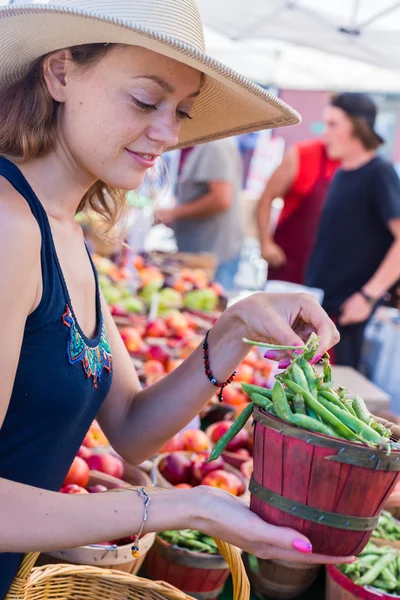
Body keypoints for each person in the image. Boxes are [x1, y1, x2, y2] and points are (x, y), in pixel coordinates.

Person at [0, 0, 352, 594]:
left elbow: (134, 430)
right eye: (144, 101)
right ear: (60, 73)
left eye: (181, 112)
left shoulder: (62, 230)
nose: (168, 134)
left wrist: (234, 330)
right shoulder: (9, 228)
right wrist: (187, 507)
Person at [306, 93, 400, 369]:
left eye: (333, 124)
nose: (326, 134)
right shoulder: (342, 173)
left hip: (348, 314)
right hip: (325, 304)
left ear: (357, 127)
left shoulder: (379, 173)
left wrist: (368, 296)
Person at [156, 138, 244, 291]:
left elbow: (221, 199)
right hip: (206, 252)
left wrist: (173, 213)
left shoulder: (214, 145)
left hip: (211, 255)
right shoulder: (211, 144)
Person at [257, 138, 340, 284]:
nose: (327, 133)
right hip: (287, 263)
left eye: (333, 125)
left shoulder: (359, 167)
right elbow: (266, 198)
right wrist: (266, 243)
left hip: (326, 269)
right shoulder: (302, 154)